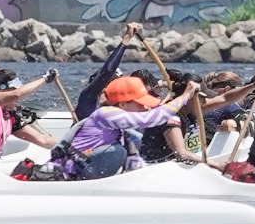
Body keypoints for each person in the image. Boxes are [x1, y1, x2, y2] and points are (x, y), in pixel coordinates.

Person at [28, 74, 197, 180]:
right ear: (122, 104)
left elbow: (135, 161)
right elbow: (149, 119)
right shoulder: (106, 114)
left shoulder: (122, 127)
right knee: (117, 151)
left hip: (87, 174)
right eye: (140, 104)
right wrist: (186, 95)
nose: (145, 107)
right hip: (64, 177)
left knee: (134, 141)